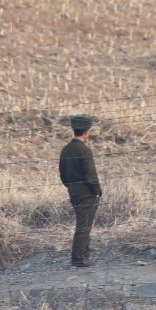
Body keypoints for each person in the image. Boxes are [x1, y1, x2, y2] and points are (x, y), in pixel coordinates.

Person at [59, 114, 101, 267]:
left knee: (83, 223)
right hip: (86, 193)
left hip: (73, 191)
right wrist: (97, 190)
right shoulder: (84, 150)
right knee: (84, 225)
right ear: (87, 132)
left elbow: (62, 174)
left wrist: (71, 186)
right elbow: (91, 175)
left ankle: (84, 254)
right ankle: (78, 259)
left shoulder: (66, 150)